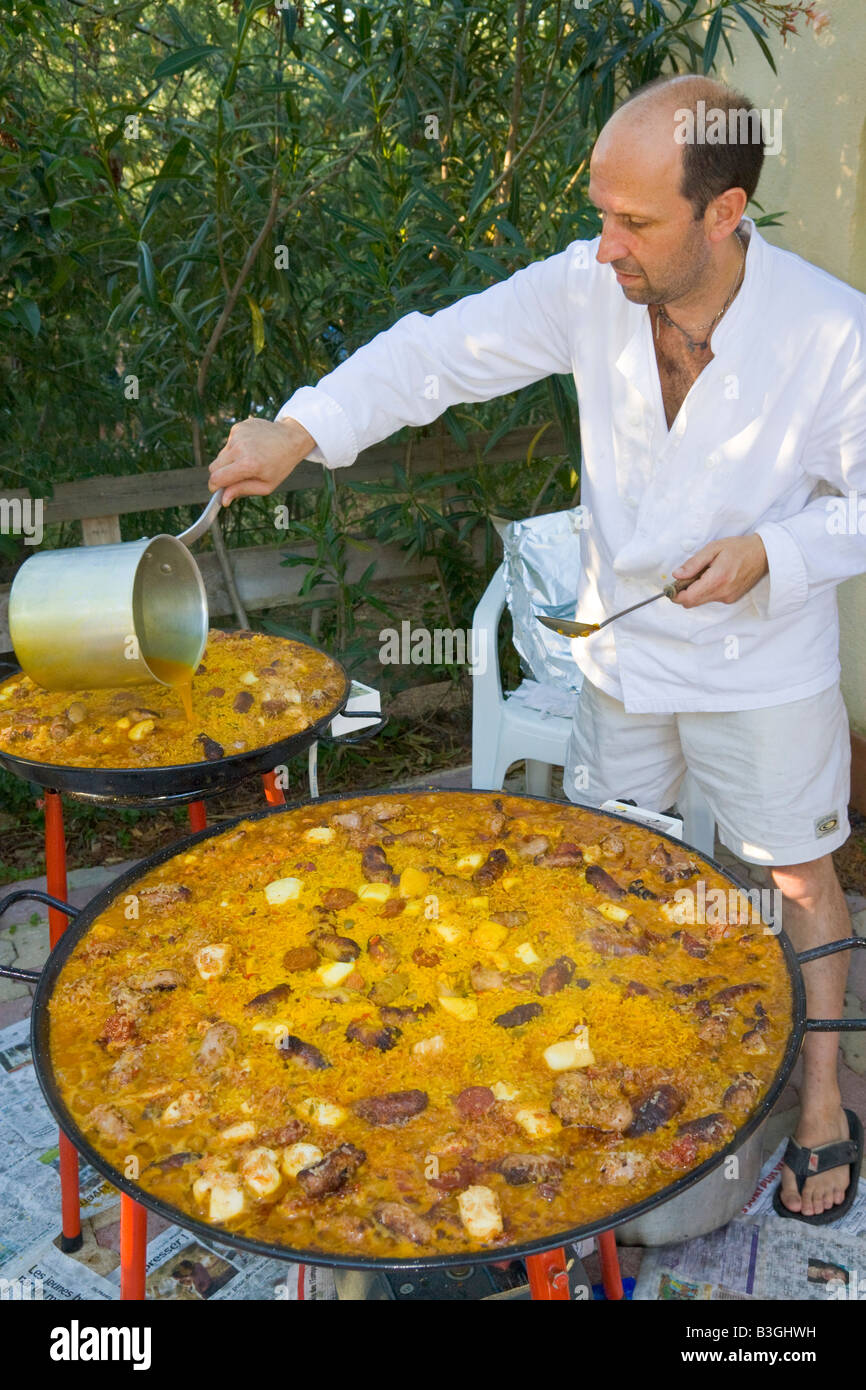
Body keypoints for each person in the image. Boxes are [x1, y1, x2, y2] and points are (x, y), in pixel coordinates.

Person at [209, 74, 866, 1223]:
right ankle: (612, 1064)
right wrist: (301, 427)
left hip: (760, 667)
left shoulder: (829, 329)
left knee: (798, 879)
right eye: (598, 213)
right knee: (604, 868)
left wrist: (773, 549)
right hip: (621, 659)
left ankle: (818, 1099)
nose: (603, 245)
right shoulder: (584, 285)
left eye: (633, 222)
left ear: (722, 213)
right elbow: (435, 355)